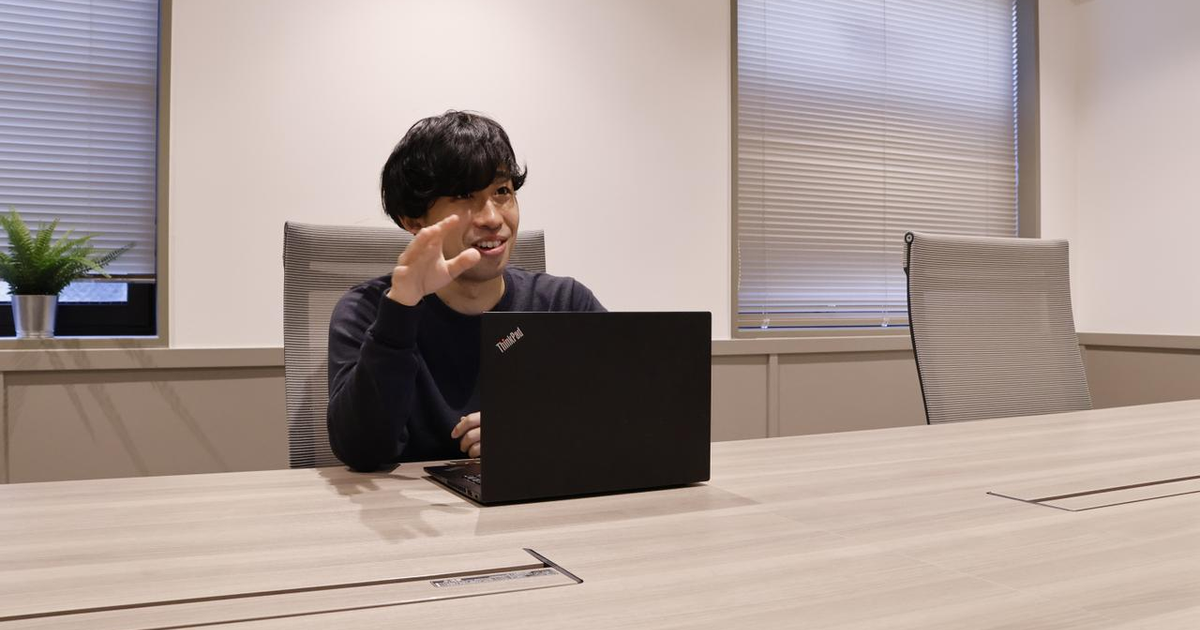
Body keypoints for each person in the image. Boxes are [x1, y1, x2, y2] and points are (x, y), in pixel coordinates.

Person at [327, 111, 605, 472]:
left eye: (502, 192)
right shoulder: (366, 312)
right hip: (411, 505)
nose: (492, 218)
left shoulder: (562, 304)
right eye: (464, 195)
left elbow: (635, 410)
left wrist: (538, 431)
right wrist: (401, 310)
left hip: (539, 497)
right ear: (413, 220)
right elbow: (362, 451)